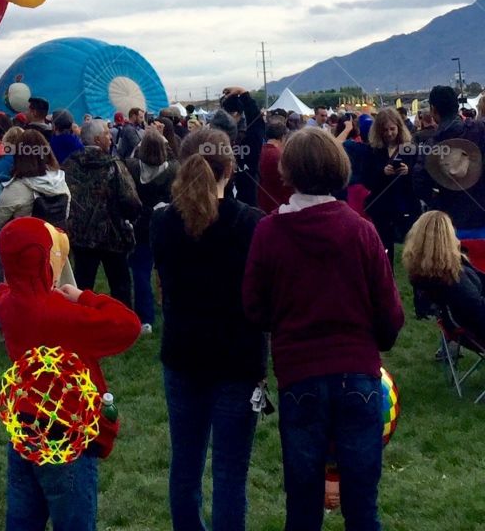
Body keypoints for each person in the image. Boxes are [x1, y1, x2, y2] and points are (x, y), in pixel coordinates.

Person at [243, 129, 404, 531]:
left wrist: (287, 321)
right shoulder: (361, 230)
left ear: (288, 172)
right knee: (363, 507)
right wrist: (375, 344)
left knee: (302, 507)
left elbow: (254, 307)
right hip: (358, 375)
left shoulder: (269, 232)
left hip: (300, 377)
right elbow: (390, 312)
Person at [151, 128, 266, 531]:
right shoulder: (251, 223)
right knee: (230, 473)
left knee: (186, 464)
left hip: (185, 354)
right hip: (237, 359)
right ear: (230, 168)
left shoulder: (164, 222)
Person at [0, 217, 141, 531]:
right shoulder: (62, 315)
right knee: (74, 519)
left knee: (23, 516)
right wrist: (82, 297)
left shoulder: (7, 304)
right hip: (66, 434)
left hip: (25, 426)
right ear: (42, 260)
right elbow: (128, 325)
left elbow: (8, 286)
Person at [63, 120, 142, 308]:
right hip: (112, 235)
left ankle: (80, 320)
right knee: (120, 286)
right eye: (107, 133)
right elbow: (131, 200)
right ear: (97, 140)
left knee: (82, 287)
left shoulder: (69, 165)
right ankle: (122, 321)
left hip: (81, 236)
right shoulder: (113, 165)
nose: (110, 137)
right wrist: (130, 219)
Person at [0, 130, 73, 278]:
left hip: (23, 255)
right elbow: (66, 214)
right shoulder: (61, 182)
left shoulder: (17, 188)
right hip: (55, 253)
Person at [413, 85, 485, 232]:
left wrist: (437, 201)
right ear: (457, 106)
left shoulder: (431, 145)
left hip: (449, 221)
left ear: (433, 110)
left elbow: (419, 182)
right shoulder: (480, 130)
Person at [402, 210, 485, 338]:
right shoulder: (454, 278)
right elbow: (477, 310)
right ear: (448, 238)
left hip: (460, 325)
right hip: (475, 329)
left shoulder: (425, 274)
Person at [125, 128, 177, 332]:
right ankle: (169, 313)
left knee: (141, 273)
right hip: (164, 225)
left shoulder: (131, 167)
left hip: (141, 226)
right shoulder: (174, 170)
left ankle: (145, 318)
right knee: (167, 272)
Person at [363, 107, 418, 263]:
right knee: (385, 251)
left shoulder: (409, 147)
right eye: (385, 130)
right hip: (382, 207)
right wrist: (382, 173)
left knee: (413, 249)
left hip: (406, 204)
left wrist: (408, 171)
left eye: (392, 129)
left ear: (399, 127)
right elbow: (366, 180)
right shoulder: (372, 150)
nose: (389, 133)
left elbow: (419, 175)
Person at [220, 88, 265, 208]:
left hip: (223, 204)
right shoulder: (251, 137)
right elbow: (257, 121)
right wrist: (244, 93)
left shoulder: (213, 140)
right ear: (237, 114)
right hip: (248, 202)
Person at [257, 119, 290, 215]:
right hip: (278, 206)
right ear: (283, 137)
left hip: (261, 203)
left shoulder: (258, 153)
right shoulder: (281, 157)